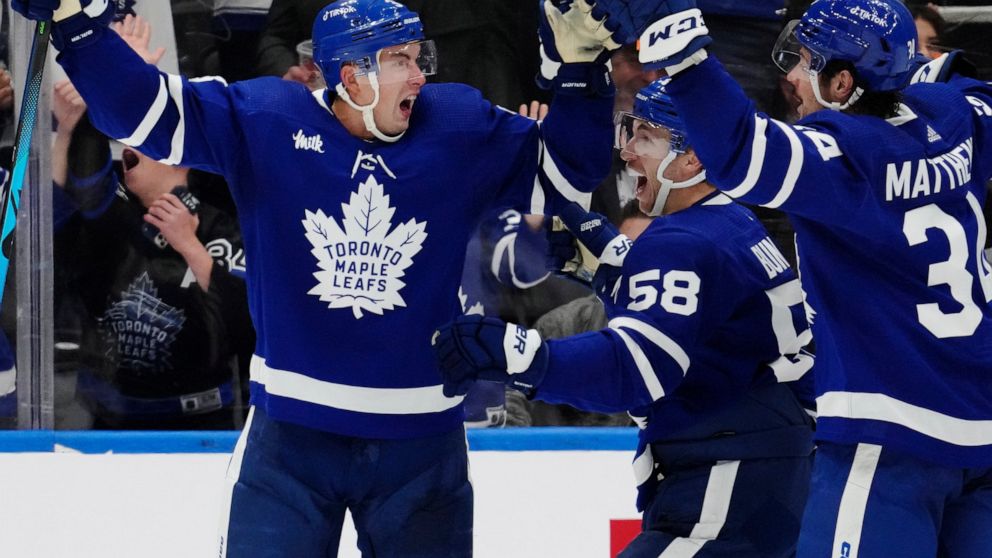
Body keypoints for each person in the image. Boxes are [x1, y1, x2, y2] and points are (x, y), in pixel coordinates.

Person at [11, 0, 617, 555]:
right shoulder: (266, 118)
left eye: (418, 56)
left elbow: (569, 174)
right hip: (291, 440)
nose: (419, 75)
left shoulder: (458, 123)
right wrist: (77, 23)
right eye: (399, 60)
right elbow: (142, 111)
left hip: (421, 444)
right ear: (350, 77)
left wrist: (583, 73)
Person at [595, 0, 992, 555]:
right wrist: (918, 71)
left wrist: (678, 47)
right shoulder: (957, 115)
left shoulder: (844, 155)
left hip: (890, 434)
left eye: (805, 62)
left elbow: (739, 151)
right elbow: (961, 84)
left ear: (843, 82)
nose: (790, 77)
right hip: (981, 422)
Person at [433, 79, 816, 556]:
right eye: (627, 132)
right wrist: (616, 266)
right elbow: (706, 327)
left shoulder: (683, 243)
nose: (628, 152)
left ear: (693, 157)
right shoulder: (732, 222)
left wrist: (522, 356)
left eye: (645, 136)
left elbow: (637, 370)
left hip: (728, 479)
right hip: (753, 467)